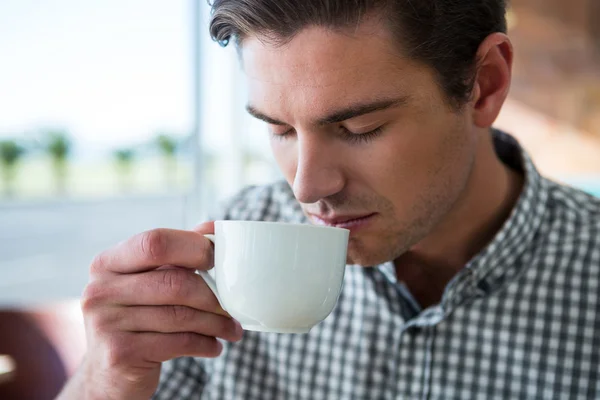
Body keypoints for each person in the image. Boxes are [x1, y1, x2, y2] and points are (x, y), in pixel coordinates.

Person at [59, 0, 600, 399]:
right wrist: (106, 380)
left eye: (359, 126)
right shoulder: (236, 240)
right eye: (280, 131)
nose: (307, 189)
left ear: (485, 83)